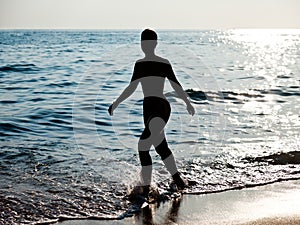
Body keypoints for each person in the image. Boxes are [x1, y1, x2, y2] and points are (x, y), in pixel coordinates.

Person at [108, 29, 195, 193]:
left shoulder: (163, 62)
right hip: (148, 108)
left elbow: (175, 84)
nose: (145, 46)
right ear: (141, 44)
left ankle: (146, 187)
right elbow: (132, 87)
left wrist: (187, 102)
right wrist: (117, 102)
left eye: (148, 42)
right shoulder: (139, 64)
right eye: (143, 43)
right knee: (160, 147)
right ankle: (179, 181)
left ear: (155, 44)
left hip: (160, 106)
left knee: (143, 146)